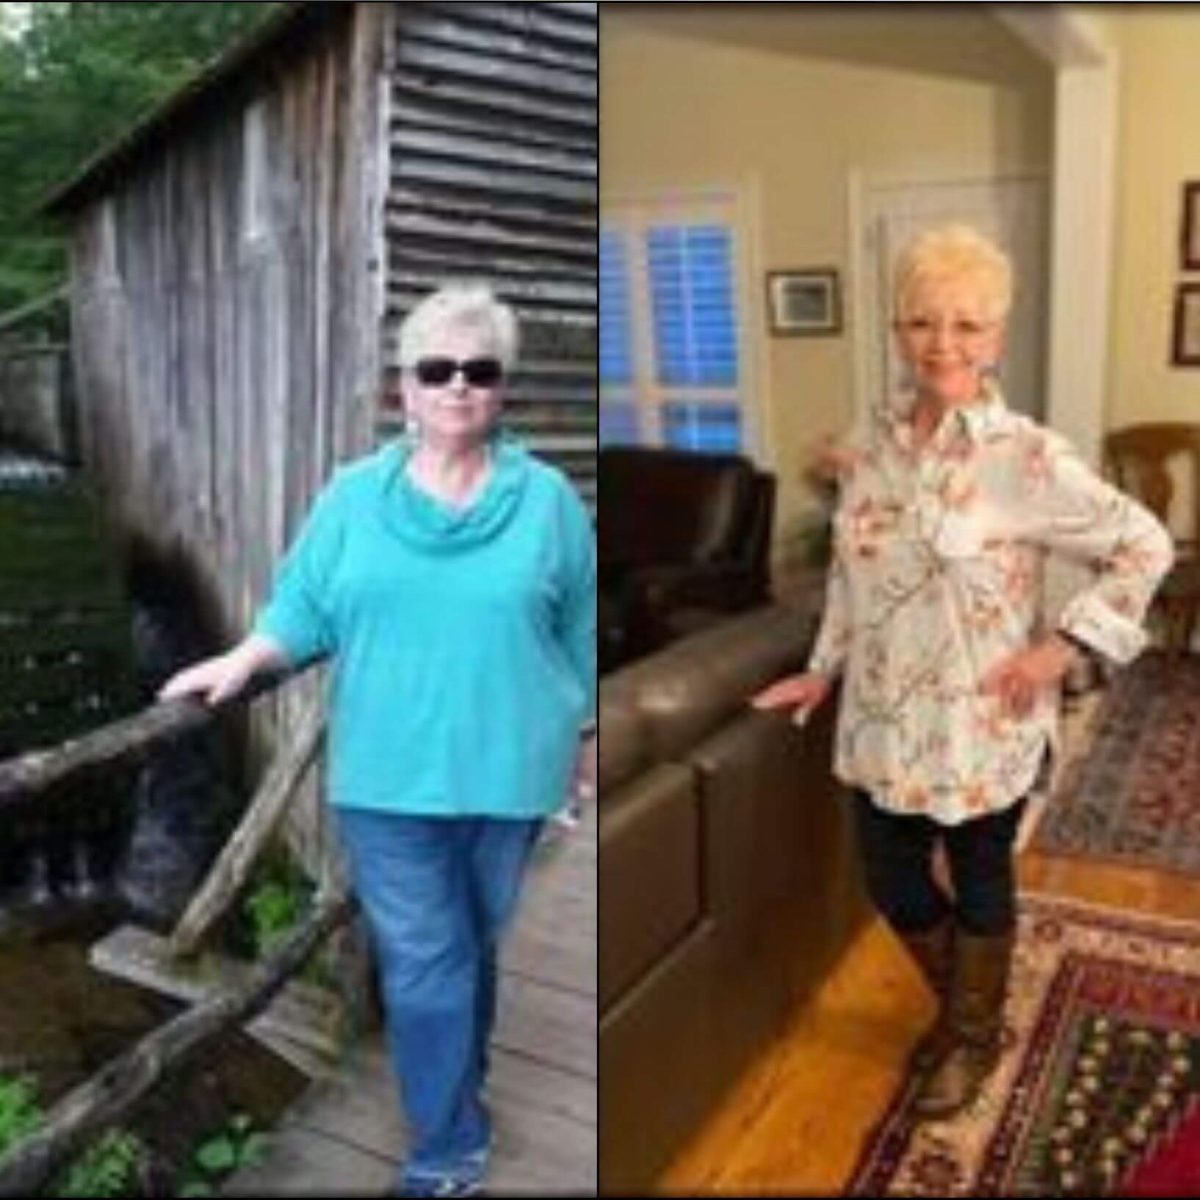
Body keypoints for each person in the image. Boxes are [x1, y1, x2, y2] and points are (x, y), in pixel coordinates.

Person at [160, 282, 596, 1196]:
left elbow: (578, 631)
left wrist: (583, 738)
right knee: (429, 958)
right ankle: (448, 1152)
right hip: (389, 778)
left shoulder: (550, 500)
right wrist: (244, 658)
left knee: (472, 944)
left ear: (500, 388)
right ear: (406, 388)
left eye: (480, 371)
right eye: (436, 370)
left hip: (512, 770)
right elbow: (303, 606)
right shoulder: (354, 498)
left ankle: (458, 1090)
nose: (457, 387)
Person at [752, 225, 1172, 1120]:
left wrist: (1064, 649)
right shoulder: (867, 447)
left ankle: (973, 1036)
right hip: (878, 718)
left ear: (999, 333)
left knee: (982, 880)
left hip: (984, 717)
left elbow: (1143, 545)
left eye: (968, 325)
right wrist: (822, 672)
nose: (944, 344)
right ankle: (967, 1008)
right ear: (898, 330)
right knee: (891, 878)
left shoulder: (1026, 456)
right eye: (922, 322)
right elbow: (848, 574)